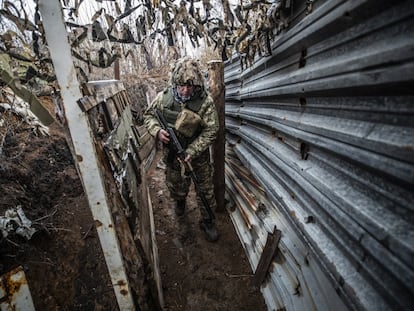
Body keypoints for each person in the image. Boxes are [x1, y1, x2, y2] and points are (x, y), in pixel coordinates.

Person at [143, 57, 219, 242]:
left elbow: (212, 129)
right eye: (181, 86)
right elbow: (149, 116)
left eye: (190, 86)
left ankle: (208, 220)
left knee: (205, 190)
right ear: (175, 83)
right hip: (172, 154)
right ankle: (180, 201)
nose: (185, 91)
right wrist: (157, 131)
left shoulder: (205, 102)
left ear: (197, 84)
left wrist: (192, 151)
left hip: (197, 156)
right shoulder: (163, 98)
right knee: (176, 184)